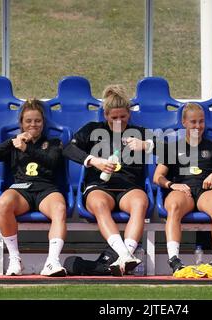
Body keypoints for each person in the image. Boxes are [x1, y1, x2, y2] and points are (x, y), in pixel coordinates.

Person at [63, 84, 155, 276]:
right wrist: (94, 161)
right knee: (99, 204)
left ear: (129, 114)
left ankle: (124, 256)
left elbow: (172, 150)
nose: (119, 121)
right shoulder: (92, 129)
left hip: (129, 187)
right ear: (105, 115)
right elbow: (68, 149)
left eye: (123, 117)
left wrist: (147, 145)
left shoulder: (139, 132)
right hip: (100, 185)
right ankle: (124, 255)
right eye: (114, 118)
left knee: (140, 202)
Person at [0, 99, 67, 277]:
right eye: (28, 121)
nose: (33, 125)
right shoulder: (15, 143)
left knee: (59, 208)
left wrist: (27, 148)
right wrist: (13, 141)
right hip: (21, 189)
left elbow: (51, 162)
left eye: (37, 121)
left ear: (43, 123)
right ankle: (15, 259)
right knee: (4, 203)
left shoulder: (54, 142)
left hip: (46, 190)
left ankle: (52, 262)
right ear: (21, 123)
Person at [153, 102, 212, 274]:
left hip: (207, 191)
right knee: (174, 206)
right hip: (183, 191)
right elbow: (157, 177)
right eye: (193, 122)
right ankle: (174, 259)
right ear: (184, 123)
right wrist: (171, 184)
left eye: (201, 121)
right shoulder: (172, 147)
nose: (198, 126)